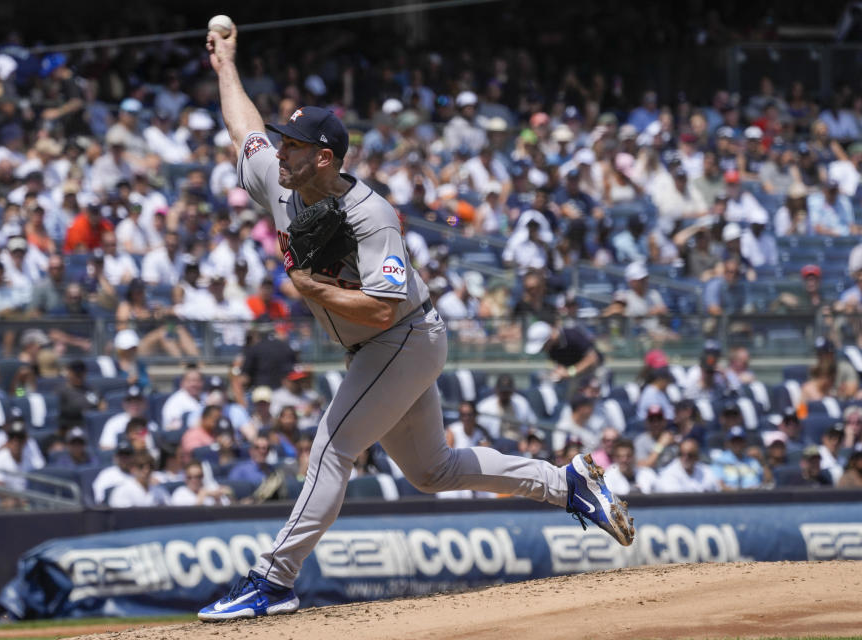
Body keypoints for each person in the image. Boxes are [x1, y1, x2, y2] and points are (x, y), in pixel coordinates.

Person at [197, 24, 633, 621]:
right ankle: (568, 484)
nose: (281, 150)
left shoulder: (370, 215)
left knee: (331, 447)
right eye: (284, 141)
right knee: (432, 470)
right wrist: (226, 67)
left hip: (401, 337)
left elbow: (380, 306)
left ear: (323, 156)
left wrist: (312, 285)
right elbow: (243, 128)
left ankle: (273, 580)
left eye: (294, 144)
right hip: (380, 344)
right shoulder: (279, 176)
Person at [475, 374, 538, 441]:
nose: (505, 395)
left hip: (519, 443)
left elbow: (533, 424)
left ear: (513, 390)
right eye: (502, 392)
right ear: (496, 390)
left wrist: (528, 440)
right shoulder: (484, 407)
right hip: (494, 443)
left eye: (507, 392)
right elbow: (479, 431)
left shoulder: (521, 403)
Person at [654, 439, 720, 493]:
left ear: (697, 457)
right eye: (681, 454)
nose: (685, 458)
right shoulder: (669, 473)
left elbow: (715, 489)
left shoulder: (705, 471)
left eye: (690, 455)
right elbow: (678, 500)